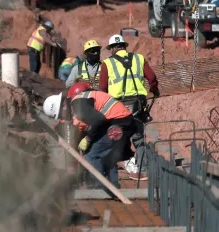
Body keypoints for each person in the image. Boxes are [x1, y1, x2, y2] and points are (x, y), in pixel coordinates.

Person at [99, 34, 159, 180]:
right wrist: (154, 89)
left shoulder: (107, 63)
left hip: (117, 106)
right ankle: (143, 169)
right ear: (124, 46)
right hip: (137, 104)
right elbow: (151, 77)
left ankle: (113, 168)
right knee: (138, 137)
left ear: (112, 49)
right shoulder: (139, 58)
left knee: (116, 135)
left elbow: (102, 88)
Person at [65, 83, 133, 197]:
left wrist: (88, 138)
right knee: (108, 155)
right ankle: (113, 186)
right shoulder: (91, 96)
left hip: (116, 123)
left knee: (92, 155)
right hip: (123, 121)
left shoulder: (78, 102)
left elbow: (98, 120)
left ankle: (100, 189)